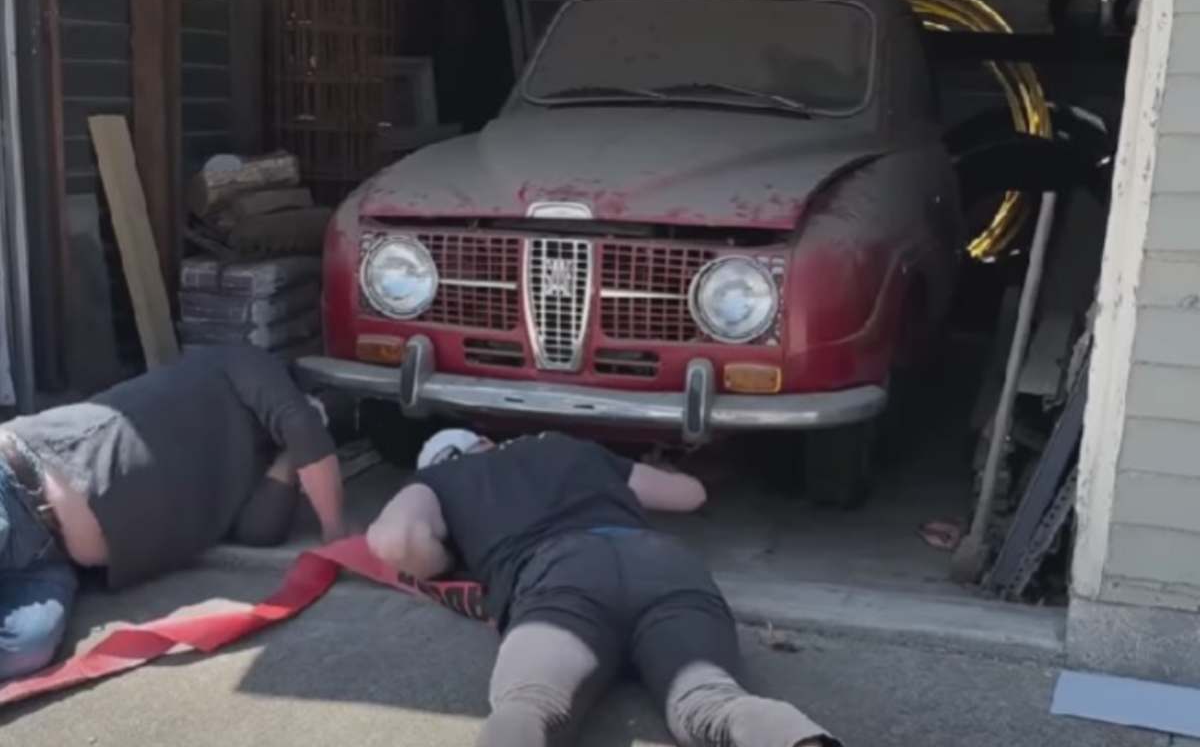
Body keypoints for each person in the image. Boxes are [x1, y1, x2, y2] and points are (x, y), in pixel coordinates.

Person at [366, 428, 839, 747]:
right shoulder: (570, 448)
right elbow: (689, 494)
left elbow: (394, 542)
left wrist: (449, 558)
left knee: (530, 704)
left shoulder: (438, 479)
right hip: (662, 562)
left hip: (560, 578)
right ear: (485, 442)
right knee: (710, 698)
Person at [0, 344, 346, 682]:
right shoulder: (238, 360)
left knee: (28, 645)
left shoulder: (246, 469)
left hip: (51, 558)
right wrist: (337, 533)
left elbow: (259, 531)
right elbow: (302, 427)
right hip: (16, 482)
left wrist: (288, 461)